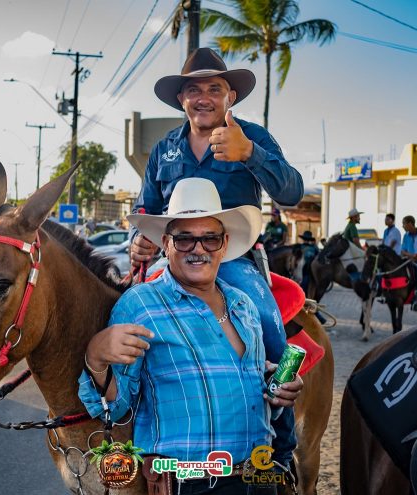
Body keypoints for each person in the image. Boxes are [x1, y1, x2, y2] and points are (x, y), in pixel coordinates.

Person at [128, 47, 304, 468]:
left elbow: (292, 193)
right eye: (193, 89)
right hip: (172, 257)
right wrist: (139, 241)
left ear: (231, 97)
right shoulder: (165, 148)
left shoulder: (253, 137)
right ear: (181, 99)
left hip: (234, 259)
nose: (203, 97)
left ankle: (280, 448)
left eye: (214, 88)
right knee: (119, 315)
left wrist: (250, 154)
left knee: (266, 323)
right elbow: (146, 207)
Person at [80, 178, 303, 494]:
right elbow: (115, 410)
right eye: (184, 239)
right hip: (191, 484)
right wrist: (96, 357)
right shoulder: (139, 305)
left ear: (224, 244)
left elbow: (253, 394)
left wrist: (277, 393)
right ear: (166, 244)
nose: (198, 250)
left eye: (209, 239)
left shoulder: (244, 306)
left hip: (259, 477)